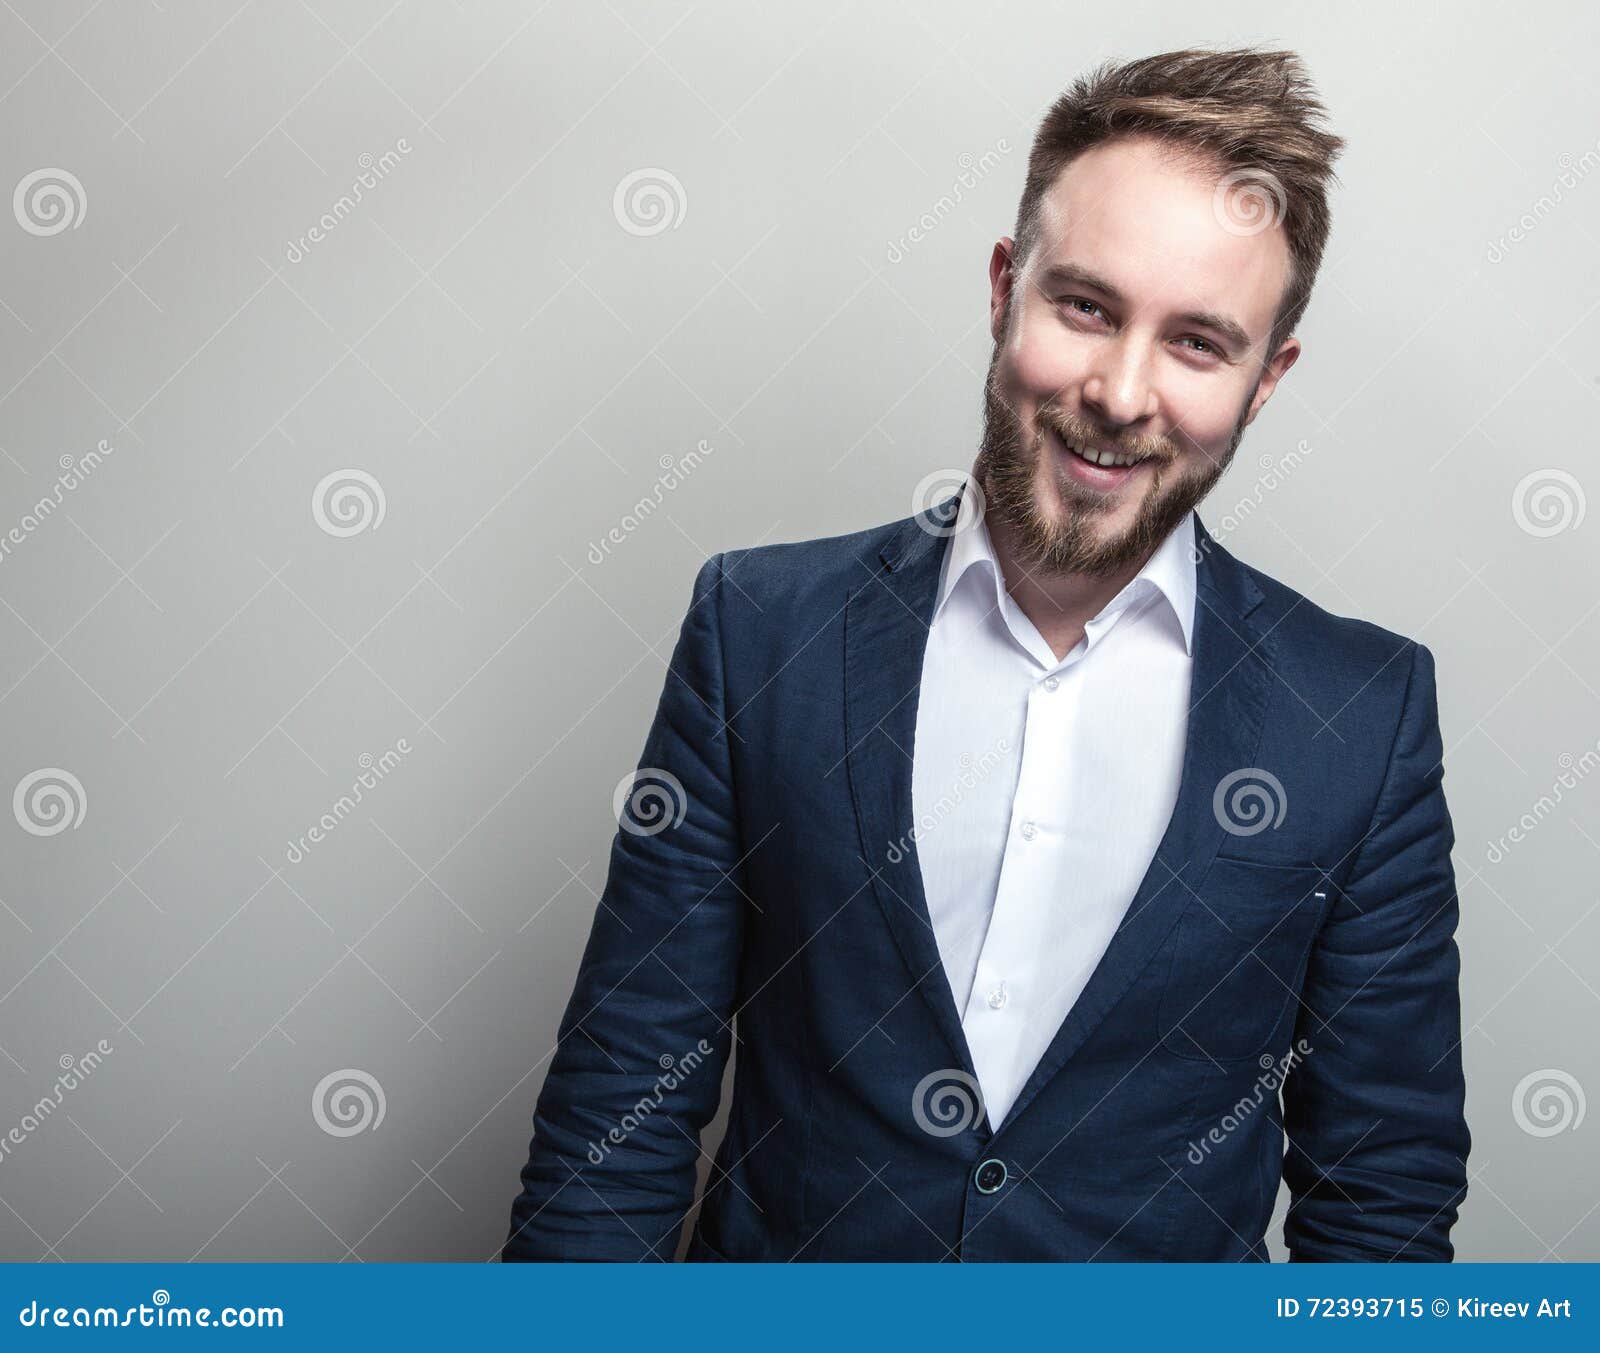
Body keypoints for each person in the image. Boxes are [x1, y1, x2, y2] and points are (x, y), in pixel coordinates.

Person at [503, 46, 1469, 1262]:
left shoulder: (1361, 713)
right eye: (1086, 306)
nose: (1121, 393)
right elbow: (619, 1105)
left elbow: (1382, 1189)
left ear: (1265, 379)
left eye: (1197, 344)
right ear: (1006, 287)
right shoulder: (760, 628)